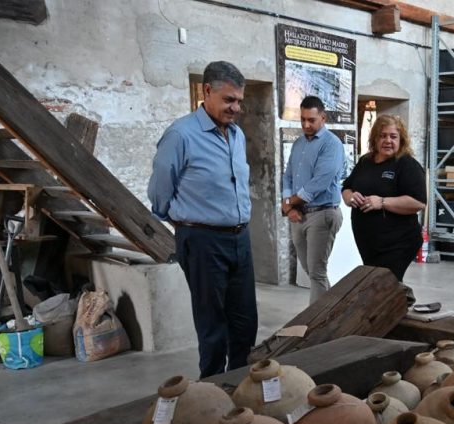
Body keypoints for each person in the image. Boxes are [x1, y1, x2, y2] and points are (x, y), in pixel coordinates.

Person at [148, 61, 257, 378]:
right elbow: (159, 190)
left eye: (239, 101)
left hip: (240, 238)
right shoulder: (181, 135)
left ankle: (240, 383)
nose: (235, 108)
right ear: (207, 91)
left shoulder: (236, 135)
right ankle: (212, 389)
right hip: (202, 240)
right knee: (212, 323)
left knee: (245, 320)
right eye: (228, 100)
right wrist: (183, 223)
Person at [342, 114, 426, 284]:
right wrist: (351, 197)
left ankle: (402, 300)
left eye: (393, 136)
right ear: (375, 138)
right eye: (383, 136)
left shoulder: (407, 164)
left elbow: (418, 202)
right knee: (381, 286)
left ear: (401, 140)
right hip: (369, 242)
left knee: (383, 286)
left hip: (398, 242)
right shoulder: (365, 161)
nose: (388, 141)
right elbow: (346, 188)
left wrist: (381, 202)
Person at [281, 96, 346, 303]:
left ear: (323, 118)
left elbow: (320, 182)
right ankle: (334, 309)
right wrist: (289, 206)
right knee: (311, 271)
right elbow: (288, 175)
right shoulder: (299, 143)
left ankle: (317, 320)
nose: (306, 124)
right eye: (303, 119)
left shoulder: (331, 144)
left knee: (317, 273)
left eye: (311, 120)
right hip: (299, 214)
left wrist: (290, 202)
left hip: (322, 213)